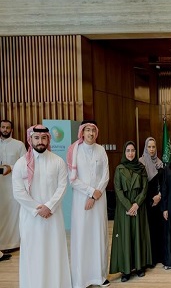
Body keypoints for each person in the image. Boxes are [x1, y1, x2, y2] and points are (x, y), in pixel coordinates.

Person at [12, 125, 72, 288]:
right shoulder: (20, 164)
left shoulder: (58, 161)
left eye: (44, 138)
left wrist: (49, 207)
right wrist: (38, 209)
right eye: (37, 138)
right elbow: (18, 192)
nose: (40, 141)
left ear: (48, 139)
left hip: (52, 217)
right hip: (31, 219)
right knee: (33, 255)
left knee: (54, 253)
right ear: (30, 139)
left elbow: (62, 187)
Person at [67, 121, 110, 288]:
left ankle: (100, 276)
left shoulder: (101, 150)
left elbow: (105, 175)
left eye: (93, 130)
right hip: (81, 201)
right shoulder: (74, 151)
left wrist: (95, 194)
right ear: (82, 132)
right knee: (82, 237)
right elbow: (73, 179)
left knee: (99, 236)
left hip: (98, 200)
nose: (91, 133)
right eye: (87, 130)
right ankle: (81, 279)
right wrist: (90, 192)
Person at [110, 141, 152, 282]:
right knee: (125, 237)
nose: (130, 153)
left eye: (133, 150)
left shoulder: (141, 168)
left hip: (138, 208)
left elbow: (145, 188)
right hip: (124, 209)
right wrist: (129, 206)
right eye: (128, 150)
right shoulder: (119, 169)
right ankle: (126, 270)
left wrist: (136, 204)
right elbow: (118, 190)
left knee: (138, 235)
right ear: (124, 152)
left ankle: (139, 267)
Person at [0, 119, 26, 255]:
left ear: (12, 130)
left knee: (13, 214)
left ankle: (13, 243)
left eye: (7, 127)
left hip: (12, 186)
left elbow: (26, 164)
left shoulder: (19, 145)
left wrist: (11, 167)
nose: (5, 129)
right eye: (3, 127)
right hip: (0, 188)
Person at [140, 137, 165, 267]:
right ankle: (149, 259)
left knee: (157, 229)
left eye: (153, 147)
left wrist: (159, 196)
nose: (151, 149)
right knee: (148, 230)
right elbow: (141, 185)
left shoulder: (160, 163)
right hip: (146, 202)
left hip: (158, 201)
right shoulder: (141, 163)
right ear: (146, 147)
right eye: (149, 147)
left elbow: (163, 182)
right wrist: (151, 198)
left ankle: (158, 257)